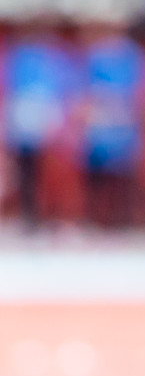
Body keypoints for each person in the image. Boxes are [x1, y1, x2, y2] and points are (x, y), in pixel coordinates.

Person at [78, 17, 145, 228]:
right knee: (96, 175)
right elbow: (83, 89)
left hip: (123, 124)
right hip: (99, 124)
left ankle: (121, 220)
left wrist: (133, 111)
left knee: (122, 175)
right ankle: (94, 219)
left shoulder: (132, 55)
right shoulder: (95, 55)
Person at [1, 14, 79, 228]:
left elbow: (66, 86)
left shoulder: (54, 57)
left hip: (47, 115)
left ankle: (50, 212)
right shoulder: (17, 56)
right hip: (23, 116)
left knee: (48, 166)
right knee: (26, 167)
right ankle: (30, 214)